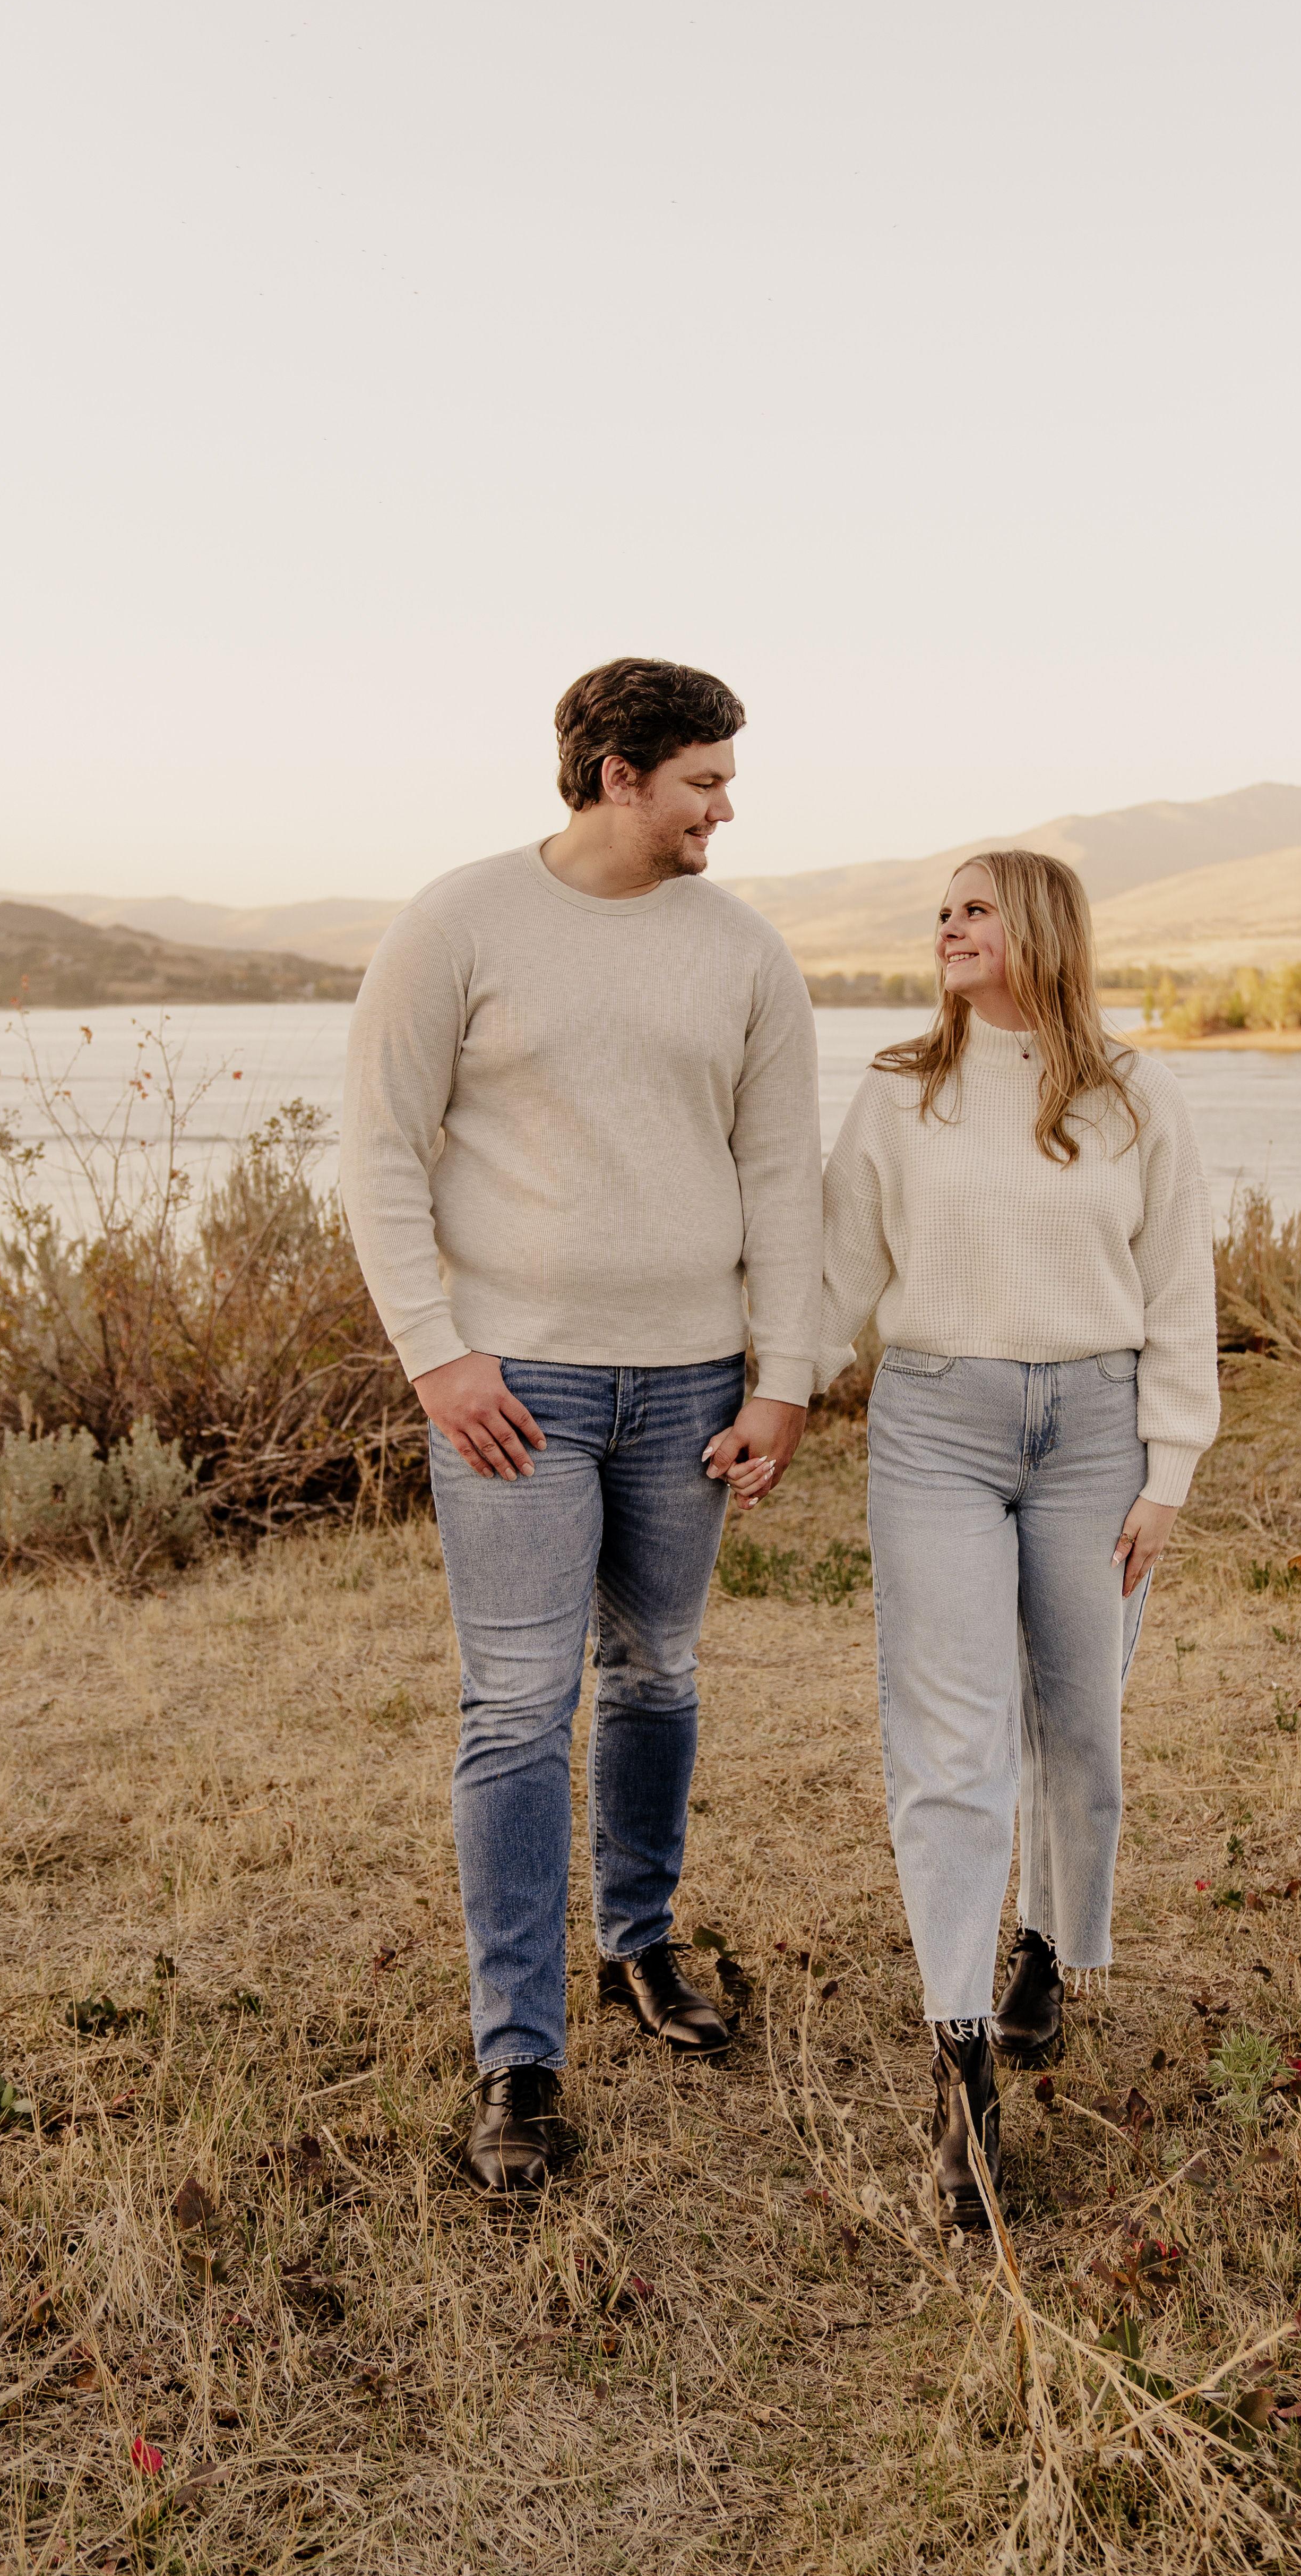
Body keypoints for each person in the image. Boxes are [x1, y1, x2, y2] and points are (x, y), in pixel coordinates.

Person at [338, 658, 821, 2196]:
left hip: (691, 1384)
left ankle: (640, 1941)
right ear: (620, 775)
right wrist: (436, 1358)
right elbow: (380, 1152)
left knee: (658, 1671)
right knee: (515, 1706)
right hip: (515, 1394)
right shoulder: (460, 923)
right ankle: (518, 2056)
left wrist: (787, 1376)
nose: (725, 810)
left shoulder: (744, 952)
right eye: (704, 782)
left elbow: (783, 1175)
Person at [783, 847, 1217, 2229]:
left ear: (1040, 928)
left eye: (976, 908)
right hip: (938, 1427)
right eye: (944, 912)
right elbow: (840, 1269)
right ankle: (960, 2059)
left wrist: (1169, 1470)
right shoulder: (901, 1091)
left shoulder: (1135, 1096)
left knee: (1077, 1725)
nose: (949, 926)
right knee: (953, 1744)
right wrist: (776, 1395)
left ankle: (1046, 1943)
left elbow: (1179, 1288)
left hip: (1096, 1431)